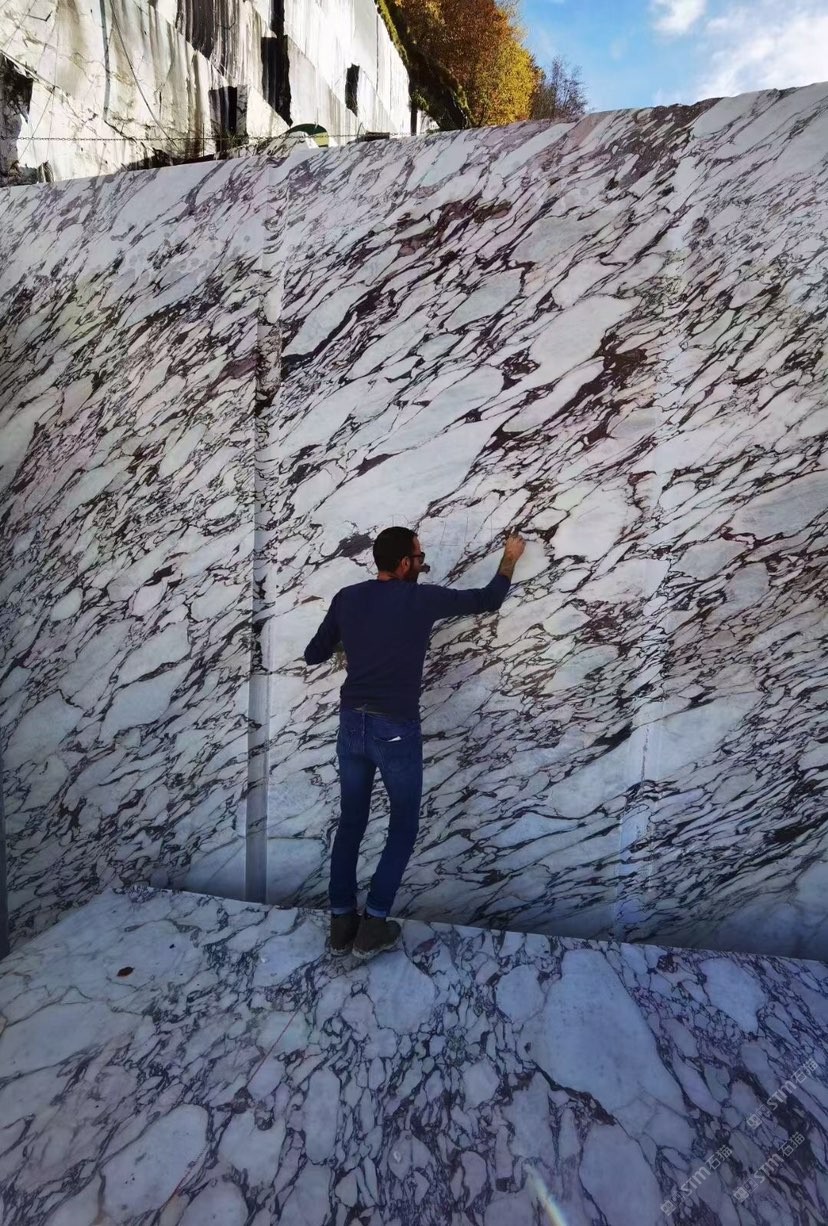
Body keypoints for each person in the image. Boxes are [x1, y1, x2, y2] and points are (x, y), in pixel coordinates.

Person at [303, 526, 525, 961]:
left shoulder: (347, 598)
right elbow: (488, 599)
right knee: (403, 825)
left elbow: (314, 654)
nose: (422, 564)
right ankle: (373, 926)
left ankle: (341, 924)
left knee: (351, 822)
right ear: (404, 563)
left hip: (351, 723)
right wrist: (510, 557)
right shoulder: (420, 599)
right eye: (419, 557)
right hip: (394, 729)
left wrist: (355, 645)